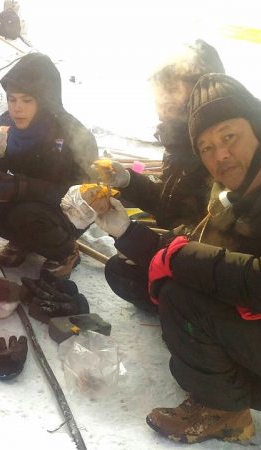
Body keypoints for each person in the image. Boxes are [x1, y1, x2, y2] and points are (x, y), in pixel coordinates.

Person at [90, 73, 261, 447]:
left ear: (257, 126)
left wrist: (178, 256)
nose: (219, 154)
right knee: (187, 308)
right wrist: (128, 232)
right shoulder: (256, 183)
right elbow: (208, 248)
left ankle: (224, 412)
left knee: (181, 302)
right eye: (205, 147)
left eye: (228, 137)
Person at [94, 39, 222, 313]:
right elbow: (171, 201)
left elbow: (207, 237)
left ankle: (191, 317)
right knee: (121, 270)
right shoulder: (179, 138)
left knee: (124, 273)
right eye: (161, 97)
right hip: (177, 243)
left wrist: (133, 237)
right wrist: (128, 180)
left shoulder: (216, 153)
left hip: (205, 263)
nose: (161, 108)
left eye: (171, 97)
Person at [0, 53, 98, 279]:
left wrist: (20, 187)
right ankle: (23, 241)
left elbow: (82, 195)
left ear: (44, 101)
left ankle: (66, 252)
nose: (17, 108)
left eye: (26, 100)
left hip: (68, 211)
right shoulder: (9, 123)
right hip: (27, 200)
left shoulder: (71, 134)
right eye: (11, 99)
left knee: (24, 214)